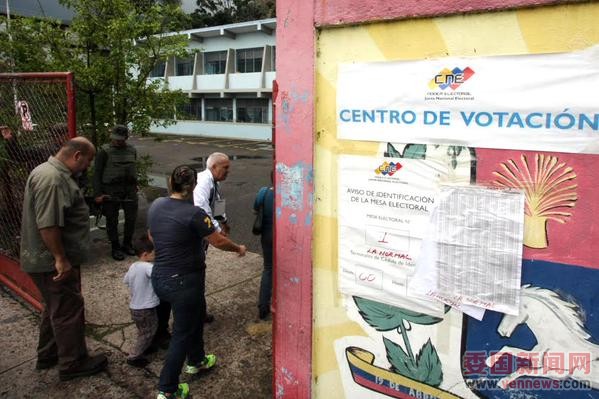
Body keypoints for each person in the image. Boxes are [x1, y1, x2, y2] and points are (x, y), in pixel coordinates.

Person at [149, 165, 246, 399]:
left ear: (170, 182)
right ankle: (168, 389)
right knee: (182, 332)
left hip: (160, 277)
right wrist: (238, 248)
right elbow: (218, 241)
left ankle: (197, 360)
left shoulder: (157, 205)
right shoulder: (194, 214)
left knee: (193, 319)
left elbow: (152, 235)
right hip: (184, 283)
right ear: (192, 187)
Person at [20, 137, 108, 381]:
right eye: (88, 161)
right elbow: (48, 224)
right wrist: (60, 258)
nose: (88, 167)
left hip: (43, 260)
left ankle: (48, 355)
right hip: (51, 263)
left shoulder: (45, 171)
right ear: (77, 155)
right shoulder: (53, 179)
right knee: (68, 310)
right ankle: (73, 363)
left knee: (55, 308)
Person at [192, 152, 231, 323]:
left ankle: (199, 310)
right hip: (196, 234)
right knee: (195, 273)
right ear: (214, 167)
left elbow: (216, 205)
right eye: (226, 167)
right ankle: (197, 313)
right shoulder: (203, 182)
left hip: (202, 234)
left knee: (200, 270)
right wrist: (216, 230)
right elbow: (202, 208)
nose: (228, 171)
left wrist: (224, 221)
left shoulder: (213, 182)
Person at [93, 125, 138, 261]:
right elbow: (97, 173)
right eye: (115, 139)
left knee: (131, 218)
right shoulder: (104, 151)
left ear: (126, 138)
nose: (117, 141)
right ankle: (115, 247)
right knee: (112, 219)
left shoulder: (131, 150)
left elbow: (133, 168)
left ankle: (127, 244)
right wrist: (98, 194)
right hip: (111, 188)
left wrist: (135, 184)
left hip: (129, 188)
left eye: (120, 139)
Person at [123, 235, 159, 368]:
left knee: (143, 331)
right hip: (146, 308)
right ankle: (134, 356)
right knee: (148, 331)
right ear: (145, 254)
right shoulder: (147, 267)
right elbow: (158, 275)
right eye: (154, 253)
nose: (155, 255)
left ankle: (146, 347)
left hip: (135, 307)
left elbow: (126, 280)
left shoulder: (133, 266)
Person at [253, 175, 274, 320]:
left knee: (268, 268)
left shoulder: (263, 192)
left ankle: (263, 305)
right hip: (287, 237)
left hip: (267, 236)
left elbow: (255, 210)